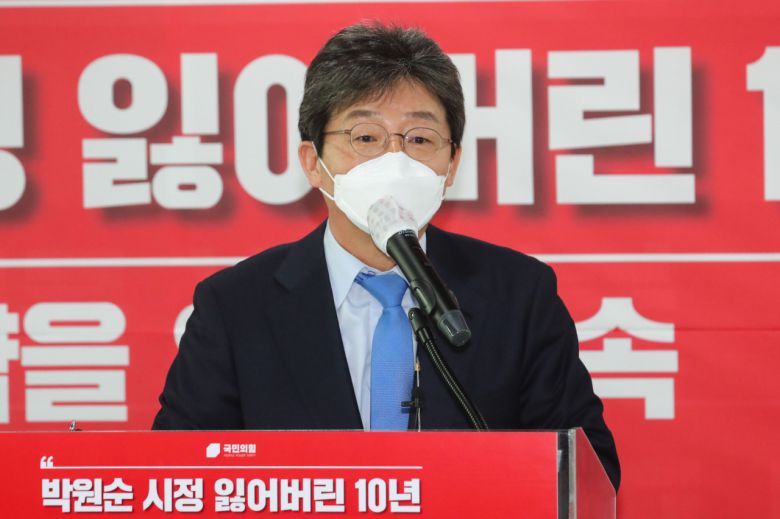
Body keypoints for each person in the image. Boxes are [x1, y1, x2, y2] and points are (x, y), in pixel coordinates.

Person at [152, 22, 620, 490]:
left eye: (419, 139)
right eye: (365, 137)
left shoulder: (520, 295)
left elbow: (588, 476)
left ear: (451, 165)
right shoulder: (235, 306)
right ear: (313, 162)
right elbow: (177, 480)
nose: (394, 162)